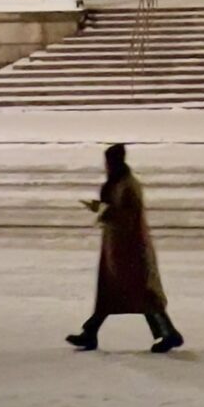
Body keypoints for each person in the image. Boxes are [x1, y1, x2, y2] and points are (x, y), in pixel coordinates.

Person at [66, 143, 184, 354]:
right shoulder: (119, 183)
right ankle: (91, 332)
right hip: (117, 249)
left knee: (141, 293)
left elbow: (127, 216)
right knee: (115, 295)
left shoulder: (128, 186)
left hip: (130, 249)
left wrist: (103, 209)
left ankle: (167, 333)